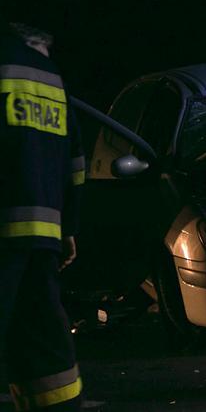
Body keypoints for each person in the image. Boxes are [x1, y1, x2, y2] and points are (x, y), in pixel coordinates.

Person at [0, 20, 84, 410]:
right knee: (44, 345)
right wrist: (69, 229)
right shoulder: (53, 78)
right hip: (43, 238)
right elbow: (75, 164)